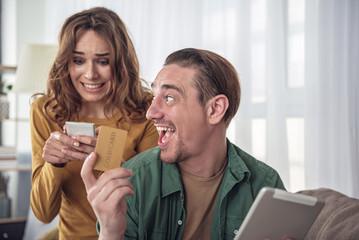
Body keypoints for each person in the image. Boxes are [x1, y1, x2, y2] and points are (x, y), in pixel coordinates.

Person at [81, 48, 286, 239]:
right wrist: (110, 232)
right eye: (154, 96)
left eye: (169, 97)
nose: (151, 113)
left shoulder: (264, 185)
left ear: (215, 109)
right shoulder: (134, 182)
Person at [30, 7, 158, 240]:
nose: (90, 74)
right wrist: (53, 164)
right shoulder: (47, 111)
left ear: (120, 63)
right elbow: (43, 213)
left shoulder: (146, 109)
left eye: (103, 61)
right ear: (66, 63)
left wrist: (115, 166)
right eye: (78, 60)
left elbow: (154, 206)